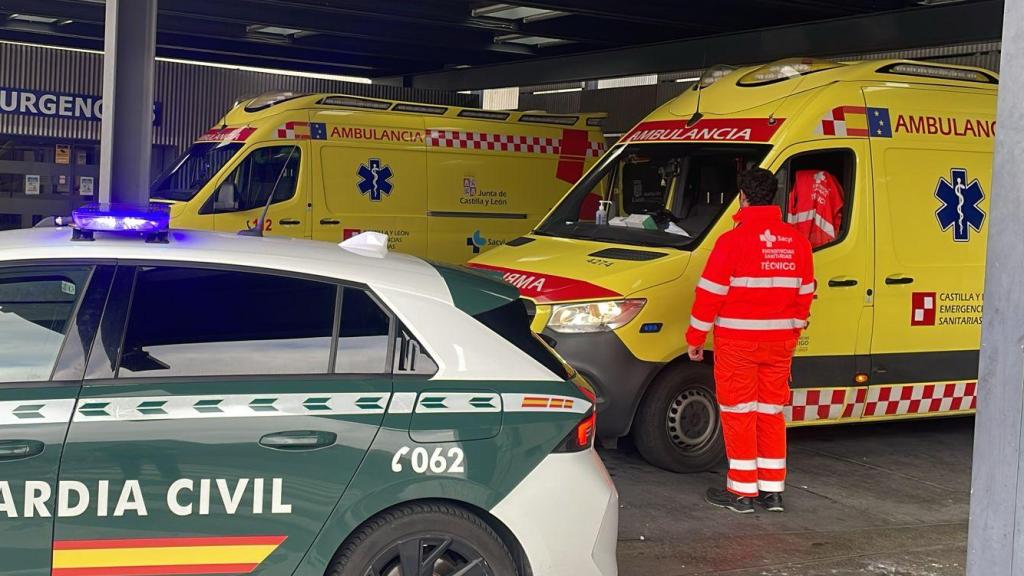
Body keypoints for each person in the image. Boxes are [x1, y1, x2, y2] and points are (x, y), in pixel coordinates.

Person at [686, 167, 815, 514]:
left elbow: (709, 295)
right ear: (772, 198)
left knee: (739, 414)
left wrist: (695, 337)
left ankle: (742, 493)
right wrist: (792, 332)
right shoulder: (798, 242)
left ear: (743, 197)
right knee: (771, 414)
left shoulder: (732, 242)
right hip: (779, 346)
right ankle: (772, 492)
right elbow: (805, 296)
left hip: (738, 346)